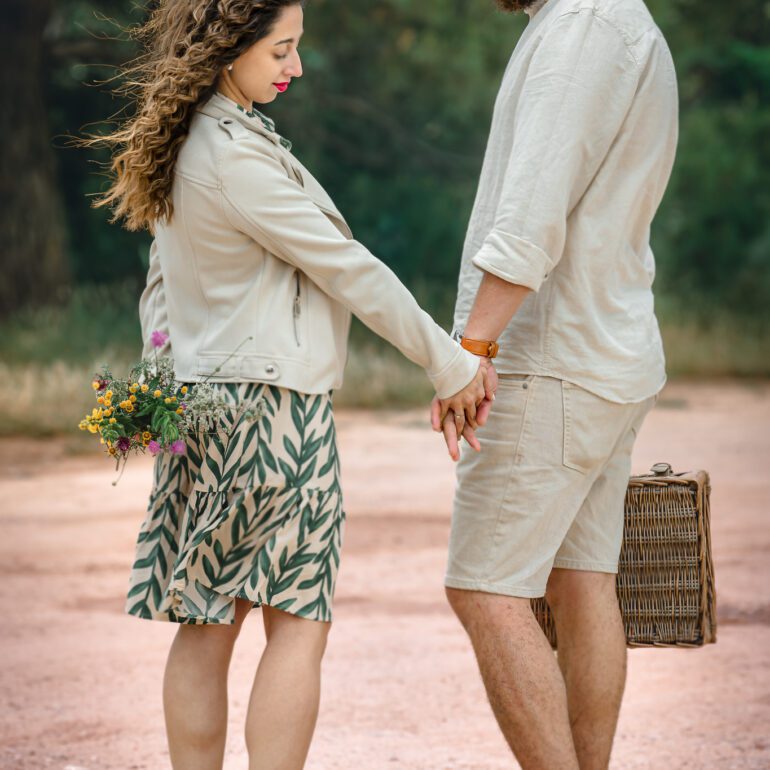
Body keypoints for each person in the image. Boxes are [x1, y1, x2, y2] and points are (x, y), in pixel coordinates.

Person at [91, 1, 495, 768]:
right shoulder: (232, 154)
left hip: (203, 411)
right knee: (298, 624)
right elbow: (346, 268)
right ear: (226, 47)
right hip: (272, 414)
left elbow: (159, 287)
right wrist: (452, 363)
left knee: (206, 625)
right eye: (282, 50)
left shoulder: (195, 141)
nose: (296, 67)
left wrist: (158, 388)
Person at [432, 0, 678, 768]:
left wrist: (470, 347)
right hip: (605, 351)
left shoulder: (582, 25)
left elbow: (531, 215)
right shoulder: (624, 22)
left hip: (550, 356)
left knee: (486, 589)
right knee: (581, 585)